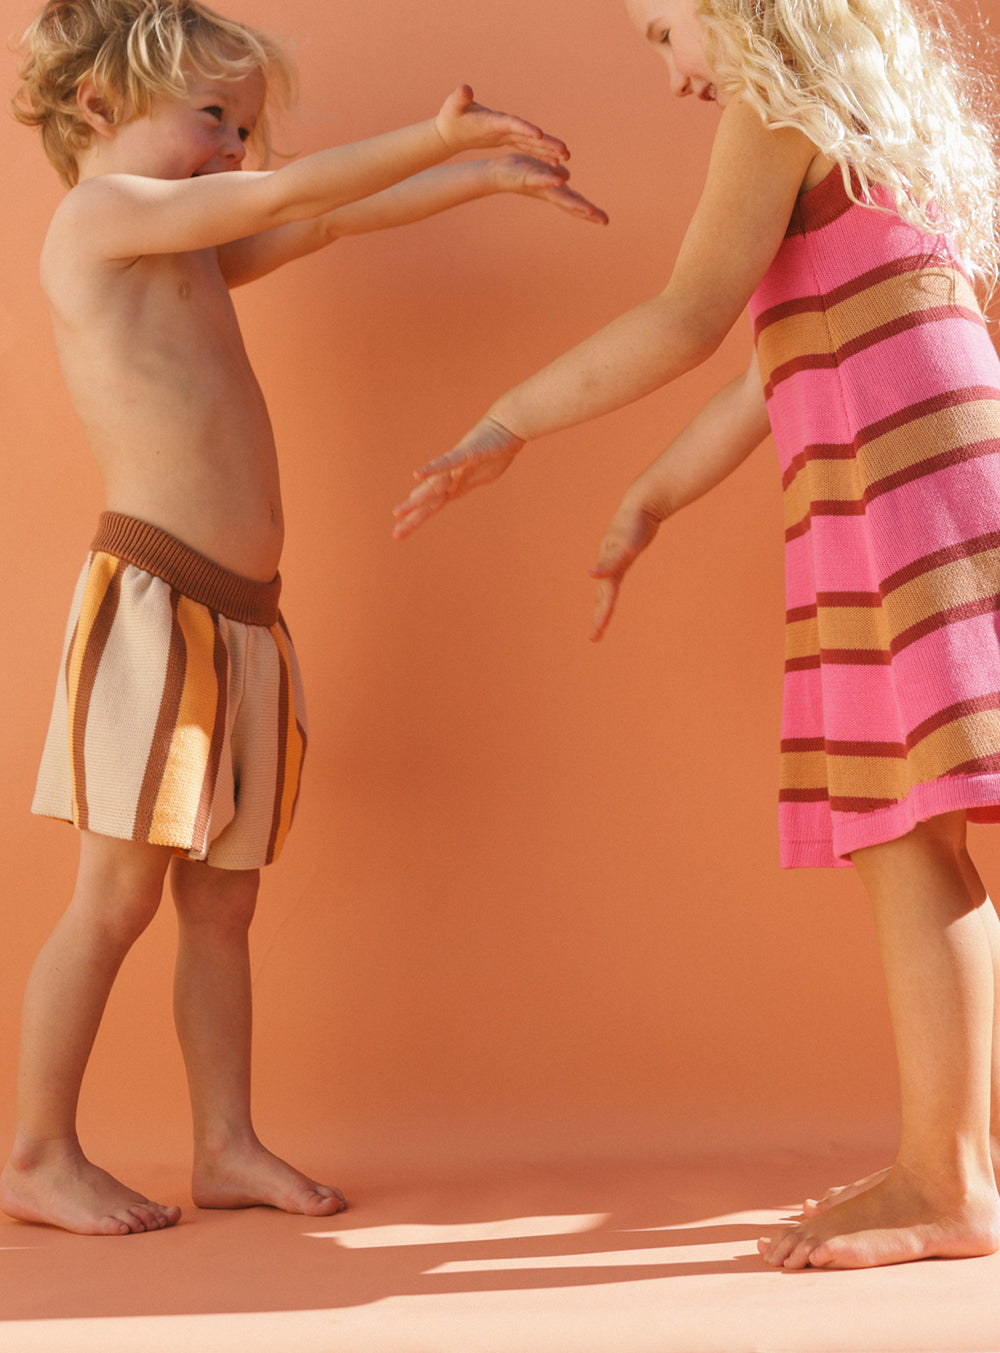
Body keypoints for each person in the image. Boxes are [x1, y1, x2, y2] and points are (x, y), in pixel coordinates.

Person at [394, 0, 1000, 1269]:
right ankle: (952, 1167)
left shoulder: (773, 111)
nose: (669, 71)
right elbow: (762, 372)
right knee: (915, 826)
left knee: (912, 827)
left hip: (905, 505)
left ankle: (950, 1181)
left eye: (665, 31)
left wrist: (505, 421)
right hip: (913, 496)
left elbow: (686, 319)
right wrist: (648, 498)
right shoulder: (864, 134)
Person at [1, 0, 607, 1238]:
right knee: (113, 898)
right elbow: (285, 198)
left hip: (244, 617)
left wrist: (477, 179)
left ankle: (225, 1144)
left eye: (245, 126)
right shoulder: (103, 219)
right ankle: (34, 1152)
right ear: (94, 107)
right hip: (157, 598)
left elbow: (318, 215)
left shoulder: (186, 240)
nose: (236, 145)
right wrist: (432, 137)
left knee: (224, 906)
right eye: (213, 117)